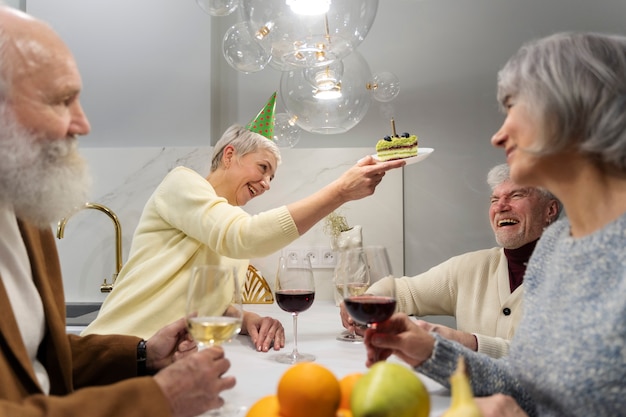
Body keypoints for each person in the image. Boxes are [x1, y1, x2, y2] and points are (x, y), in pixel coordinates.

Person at [363, 32, 626, 417]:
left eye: (513, 108)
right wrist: (430, 350)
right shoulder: (555, 250)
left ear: (572, 109)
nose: (498, 135)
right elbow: (529, 385)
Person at [0, 5, 239, 417]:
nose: (84, 123)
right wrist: (154, 400)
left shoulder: (22, 217)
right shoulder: (186, 185)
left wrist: (142, 355)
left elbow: (39, 359)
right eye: (62, 100)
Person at [82, 97, 405, 347]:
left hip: (163, 355)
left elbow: (199, 298)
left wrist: (243, 318)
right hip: (117, 347)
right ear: (229, 155)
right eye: (263, 168)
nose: (266, 183)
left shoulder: (223, 220)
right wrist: (340, 192)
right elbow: (244, 237)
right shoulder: (181, 183)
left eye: (272, 177)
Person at [340, 163, 560, 358]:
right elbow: (404, 292)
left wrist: (467, 343)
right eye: (494, 199)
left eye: (516, 196)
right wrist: (366, 301)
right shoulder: (471, 268)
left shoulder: (579, 278)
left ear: (550, 210)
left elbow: (552, 363)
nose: (501, 207)